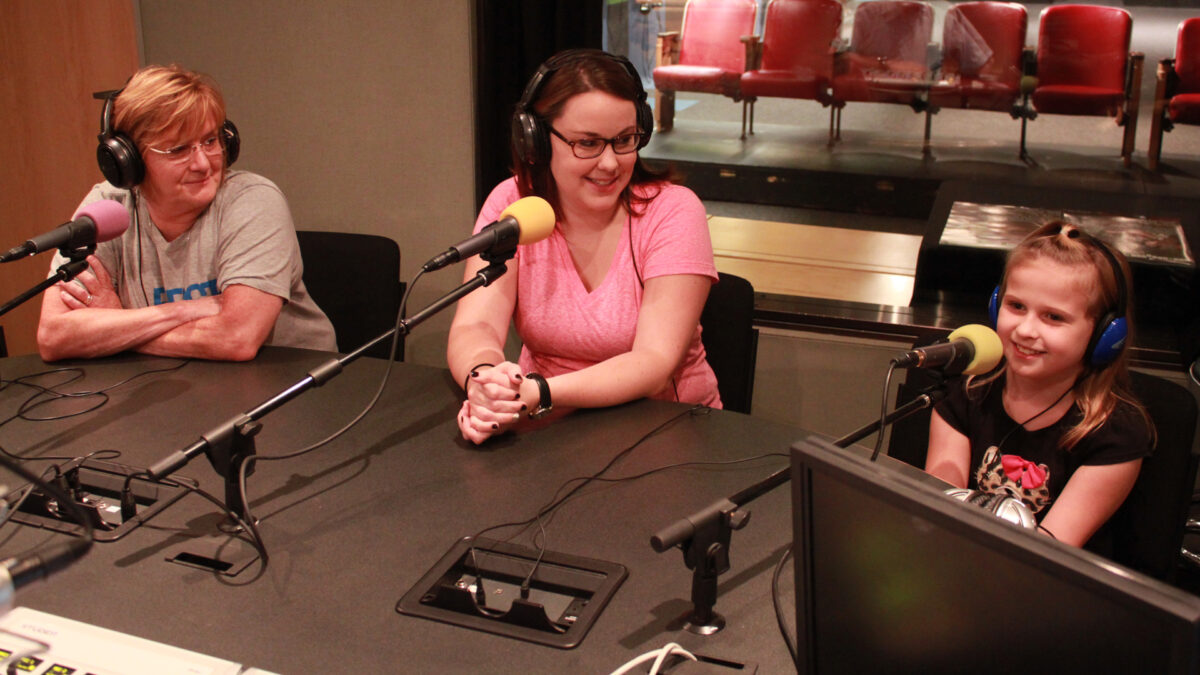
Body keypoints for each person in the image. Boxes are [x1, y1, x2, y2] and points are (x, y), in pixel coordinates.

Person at [447, 48, 721, 445]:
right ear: (537, 141)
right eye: (588, 143)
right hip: (548, 432)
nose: (610, 163)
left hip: (665, 431)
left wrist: (540, 393)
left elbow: (654, 362)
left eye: (624, 140)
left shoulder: (673, 211)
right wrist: (486, 383)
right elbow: (477, 324)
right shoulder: (513, 205)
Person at [37, 64, 336, 362]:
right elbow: (53, 336)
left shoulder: (252, 200)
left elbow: (236, 338)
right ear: (128, 161)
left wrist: (117, 325)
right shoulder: (107, 208)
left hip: (292, 384)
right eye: (178, 150)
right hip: (174, 386)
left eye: (210, 141)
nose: (203, 164)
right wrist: (184, 310)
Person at [925, 222, 1154, 548]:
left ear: (1105, 335)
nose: (1025, 330)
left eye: (1054, 317)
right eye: (1016, 306)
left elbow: (1045, 555)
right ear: (996, 305)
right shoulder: (966, 392)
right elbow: (939, 514)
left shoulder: (1116, 432)